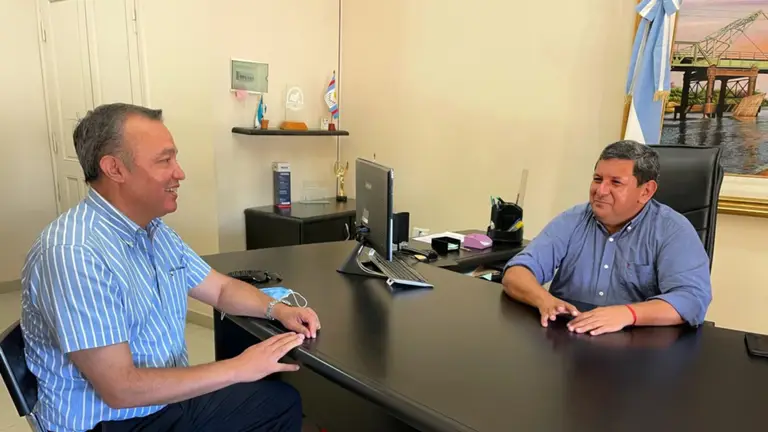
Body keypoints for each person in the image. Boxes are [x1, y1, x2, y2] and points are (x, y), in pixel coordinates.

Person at [20, 103, 320, 432]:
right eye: (165, 161)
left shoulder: (154, 230)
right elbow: (120, 389)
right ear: (114, 169)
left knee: (279, 402)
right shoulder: (73, 254)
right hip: (112, 422)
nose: (179, 173)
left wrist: (278, 309)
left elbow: (220, 289)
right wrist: (239, 368)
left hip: (162, 402)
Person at [502, 140, 712, 336]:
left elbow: (692, 299)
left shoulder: (672, 230)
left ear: (646, 191)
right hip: (568, 338)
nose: (600, 191)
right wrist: (545, 300)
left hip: (637, 346)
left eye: (616, 183)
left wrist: (628, 313)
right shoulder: (572, 220)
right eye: (598, 179)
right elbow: (516, 273)